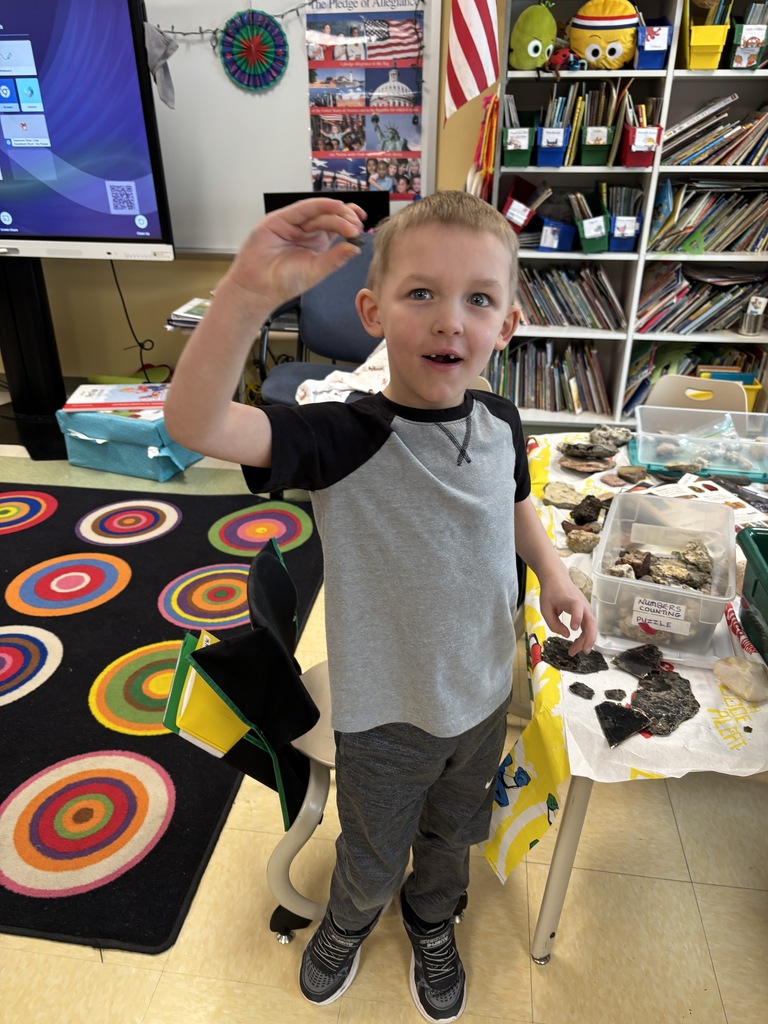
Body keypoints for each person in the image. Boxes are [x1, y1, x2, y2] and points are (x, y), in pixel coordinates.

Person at [164, 193, 596, 1022]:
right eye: (421, 293)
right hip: (385, 714)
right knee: (370, 844)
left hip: (477, 700)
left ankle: (432, 921)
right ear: (373, 310)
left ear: (507, 325)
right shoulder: (342, 434)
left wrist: (555, 575)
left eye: (478, 299)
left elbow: (513, 505)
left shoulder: (503, 420)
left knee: (452, 836)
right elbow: (194, 421)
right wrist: (250, 293)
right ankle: (352, 917)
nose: (449, 322)